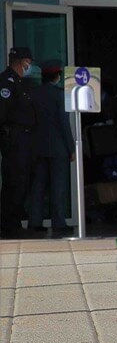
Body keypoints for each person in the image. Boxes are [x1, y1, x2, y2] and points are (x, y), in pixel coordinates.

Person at [28, 62, 75, 237]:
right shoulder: (60, 95)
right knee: (58, 187)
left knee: (38, 187)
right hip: (58, 148)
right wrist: (71, 148)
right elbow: (64, 123)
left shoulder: (33, 94)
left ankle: (34, 222)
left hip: (37, 147)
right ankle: (59, 223)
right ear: (57, 76)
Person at [0, 47, 38, 238]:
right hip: (14, 139)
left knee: (22, 181)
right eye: (28, 62)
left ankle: (14, 221)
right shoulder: (6, 82)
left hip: (25, 138)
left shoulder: (21, 82)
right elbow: (3, 113)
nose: (30, 66)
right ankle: (9, 224)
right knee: (14, 181)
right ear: (21, 62)